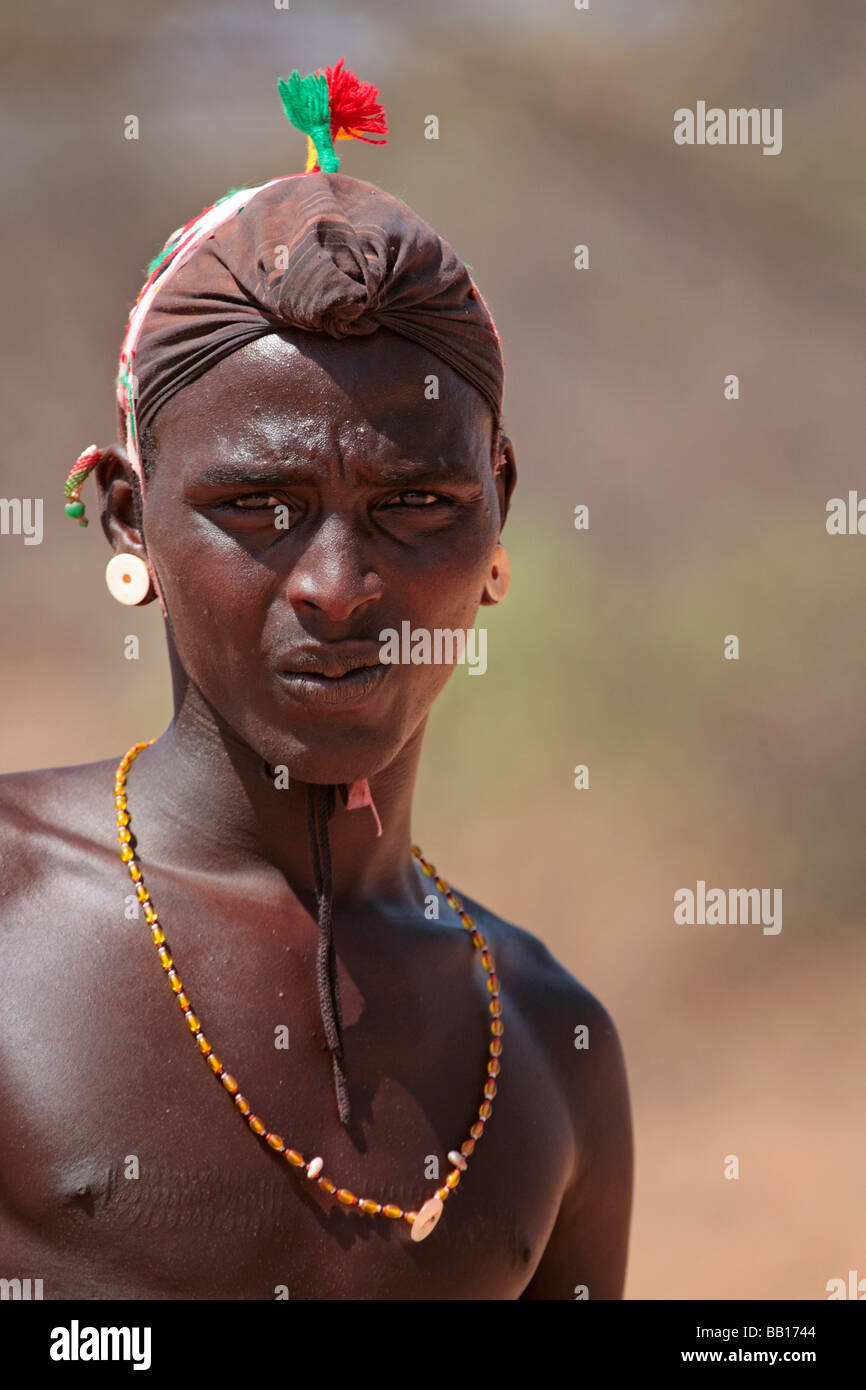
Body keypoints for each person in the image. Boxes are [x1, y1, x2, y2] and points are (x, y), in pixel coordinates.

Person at [0, 61, 632, 1299]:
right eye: (258, 507)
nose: (338, 588)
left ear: (497, 516)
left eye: (414, 505)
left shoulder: (550, 1042)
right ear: (126, 523)